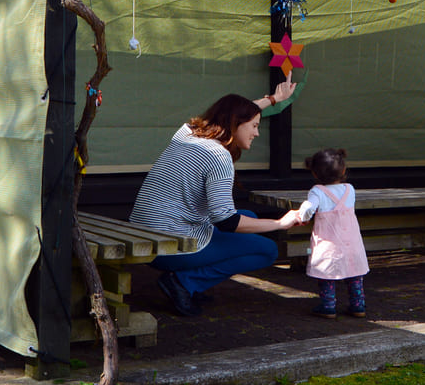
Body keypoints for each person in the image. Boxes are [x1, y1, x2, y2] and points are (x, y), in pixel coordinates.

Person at [129, 80, 301, 317]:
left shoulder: (187, 132)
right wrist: (281, 223)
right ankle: (183, 282)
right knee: (267, 250)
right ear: (236, 124)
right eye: (253, 125)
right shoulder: (218, 156)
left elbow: (229, 114)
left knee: (249, 217)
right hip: (167, 246)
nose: (256, 132)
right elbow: (226, 221)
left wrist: (272, 100)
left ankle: (187, 280)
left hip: (144, 232)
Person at [296, 147, 369, 318]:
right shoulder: (350, 189)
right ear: (343, 170)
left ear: (314, 173)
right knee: (354, 274)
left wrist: (302, 216)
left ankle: (328, 306)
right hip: (352, 242)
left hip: (329, 242)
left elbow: (308, 208)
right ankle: (358, 305)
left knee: (327, 274)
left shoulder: (317, 191)